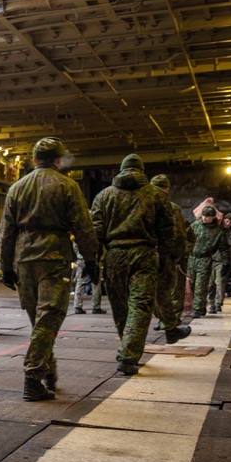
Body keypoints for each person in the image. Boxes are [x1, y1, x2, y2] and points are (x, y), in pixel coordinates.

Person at [0, 137, 99, 401]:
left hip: (23, 258)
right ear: (58, 160)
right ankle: (32, 378)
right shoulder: (68, 186)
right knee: (49, 317)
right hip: (53, 257)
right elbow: (83, 227)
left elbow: (6, 231)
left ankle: (47, 370)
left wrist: (5, 266)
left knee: (39, 320)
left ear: (33, 160)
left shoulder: (16, 188)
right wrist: (92, 260)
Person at [91, 154, 188, 376]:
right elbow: (168, 230)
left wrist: (93, 260)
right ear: (142, 171)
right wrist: (167, 257)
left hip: (114, 256)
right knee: (140, 305)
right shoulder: (155, 195)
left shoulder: (104, 196)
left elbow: (96, 231)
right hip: (144, 255)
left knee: (120, 307)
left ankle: (127, 347)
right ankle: (128, 355)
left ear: (121, 170)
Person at [150, 174, 192, 333]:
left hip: (144, 255)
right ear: (167, 188)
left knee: (147, 293)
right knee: (166, 292)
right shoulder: (173, 208)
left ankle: (163, 320)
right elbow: (180, 235)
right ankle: (168, 323)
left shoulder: (141, 205)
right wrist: (179, 255)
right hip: (165, 256)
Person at [188, 205, 230, 318]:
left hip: (205, 259)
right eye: (204, 216)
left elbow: (224, 248)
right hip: (191, 258)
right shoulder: (195, 226)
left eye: (208, 216)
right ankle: (201, 307)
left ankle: (197, 309)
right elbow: (186, 239)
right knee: (192, 284)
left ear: (213, 217)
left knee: (200, 285)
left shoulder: (218, 231)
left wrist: (226, 262)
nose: (205, 218)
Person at [207, 213, 231, 313]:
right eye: (227, 221)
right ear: (223, 220)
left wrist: (228, 265)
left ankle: (218, 304)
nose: (228, 224)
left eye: (230, 222)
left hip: (221, 261)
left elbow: (228, 247)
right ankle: (211, 304)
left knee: (219, 283)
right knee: (210, 284)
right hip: (211, 260)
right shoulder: (214, 230)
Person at [72, 239, 105, 315]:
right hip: (93, 260)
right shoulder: (93, 235)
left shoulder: (77, 235)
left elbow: (74, 248)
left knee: (80, 283)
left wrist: (77, 258)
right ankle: (96, 307)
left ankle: (77, 306)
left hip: (81, 260)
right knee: (96, 283)